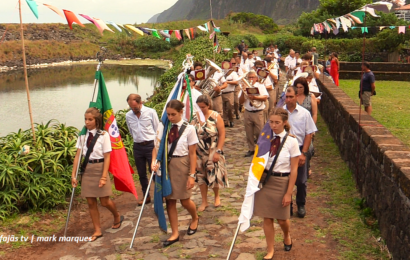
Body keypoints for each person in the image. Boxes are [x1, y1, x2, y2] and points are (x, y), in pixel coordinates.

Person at [253, 108, 300, 260]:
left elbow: (294, 169)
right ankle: (270, 249)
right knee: (267, 218)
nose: (273, 125)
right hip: (267, 181)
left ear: (284, 123)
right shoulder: (265, 139)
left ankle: (287, 234)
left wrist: (289, 192)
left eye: (277, 122)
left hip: (282, 181)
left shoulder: (291, 141)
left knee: (282, 219)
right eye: (271, 122)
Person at [152, 100, 199, 247]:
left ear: (180, 113)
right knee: (170, 200)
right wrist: (154, 161)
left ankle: (195, 218)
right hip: (166, 166)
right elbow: (156, 147)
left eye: (173, 114)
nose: (170, 117)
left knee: (185, 200)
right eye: (168, 114)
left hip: (182, 164)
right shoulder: (164, 128)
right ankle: (175, 233)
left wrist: (192, 175)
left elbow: (192, 154)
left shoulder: (189, 129)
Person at [71, 107, 123, 242]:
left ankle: (116, 215)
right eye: (85, 119)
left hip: (100, 168)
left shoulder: (103, 135)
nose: (87, 122)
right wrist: (73, 175)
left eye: (90, 119)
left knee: (105, 201)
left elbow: (107, 157)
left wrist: (104, 176)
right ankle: (97, 230)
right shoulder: (82, 136)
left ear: (96, 120)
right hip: (87, 169)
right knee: (90, 202)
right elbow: (77, 156)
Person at [284, 86, 317, 218]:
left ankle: (301, 204)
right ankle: (288, 205)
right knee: (285, 179)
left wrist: (303, 153)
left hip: (299, 148)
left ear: (297, 97)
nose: (288, 99)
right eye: (286, 97)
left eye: (291, 97)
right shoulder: (281, 113)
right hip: (284, 150)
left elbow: (309, 134)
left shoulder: (304, 113)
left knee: (301, 180)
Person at [192, 95, 228, 212]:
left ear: (208, 105)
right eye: (199, 107)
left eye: (203, 107)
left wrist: (218, 150)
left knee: (214, 173)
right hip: (199, 150)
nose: (201, 109)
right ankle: (204, 201)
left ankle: (216, 196)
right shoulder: (194, 117)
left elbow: (222, 134)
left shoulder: (216, 116)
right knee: (201, 175)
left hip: (212, 148)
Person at [126, 94, 159, 206]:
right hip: (138, 147)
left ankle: (160, 194)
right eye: (131, 107)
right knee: (141, 173)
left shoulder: (151, 112)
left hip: (150, 145)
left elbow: (157, 129)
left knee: (154, 171)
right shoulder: (128, 116)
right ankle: (146, 195)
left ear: (141, 103)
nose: (133, 110)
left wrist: (156, 145)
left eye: (135, 107)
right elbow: (131, 131)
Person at [239, 70, 269, 157]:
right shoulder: (245, 86)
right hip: (248, 112)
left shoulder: (260, 86)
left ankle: (261, 149)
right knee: (249, 132)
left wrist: (254, 97)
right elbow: (241, 101)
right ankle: (251, 149)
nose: (251, 79)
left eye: (253, 77)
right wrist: (243, 92)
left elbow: (265, 97)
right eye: (249, 77)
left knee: (259, 131)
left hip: (258, 112)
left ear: (256, 78)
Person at [222, 58, 239, 127]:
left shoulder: (233, 73)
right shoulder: (220, 72)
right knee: (223, 108)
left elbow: (236, 82)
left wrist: (227, 82)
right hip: (222, 92)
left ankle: (231, 120)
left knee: (230, 107)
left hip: (230, 92)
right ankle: (225, 121)